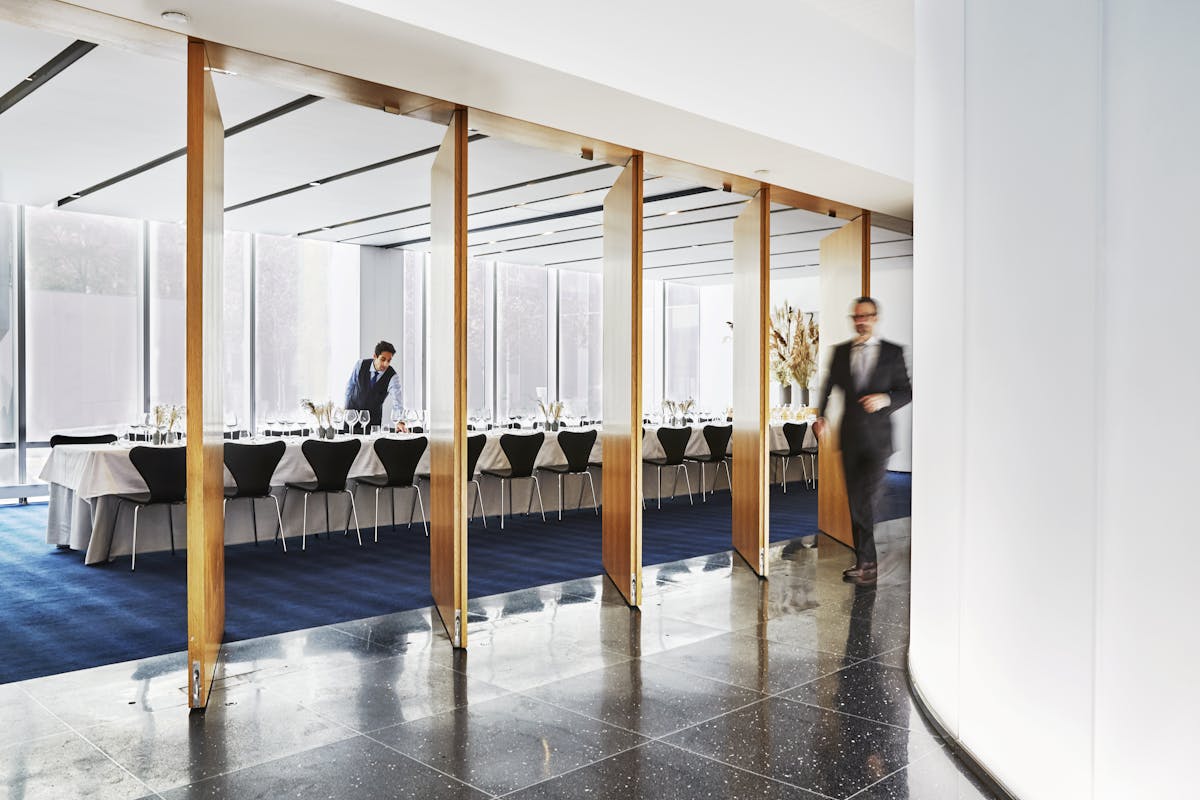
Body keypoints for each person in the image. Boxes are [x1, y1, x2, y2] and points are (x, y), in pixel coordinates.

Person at [812, 297, 911, 584]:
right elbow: (827, 387)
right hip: (850, 439)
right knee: (856, 501)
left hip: (879, 441)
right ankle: (865, 560)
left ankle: (867, 563)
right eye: (856, 317)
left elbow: (907, 391)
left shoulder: (892, 352)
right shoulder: (841, 352)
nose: (861, 321)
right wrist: (821, 416)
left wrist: (885, 399)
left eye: (866, 316)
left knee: (866, 499)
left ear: (875, 317)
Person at [344, 340, 405, 432]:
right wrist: (346, 409)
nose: (386, 364)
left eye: (389, 361)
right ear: (375, 356)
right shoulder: (360, 364)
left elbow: (397, 400)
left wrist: (399, 421)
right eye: (383, 359)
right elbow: (350, 387)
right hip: (352, 418)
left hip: (373, 422)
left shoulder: (392, 376)